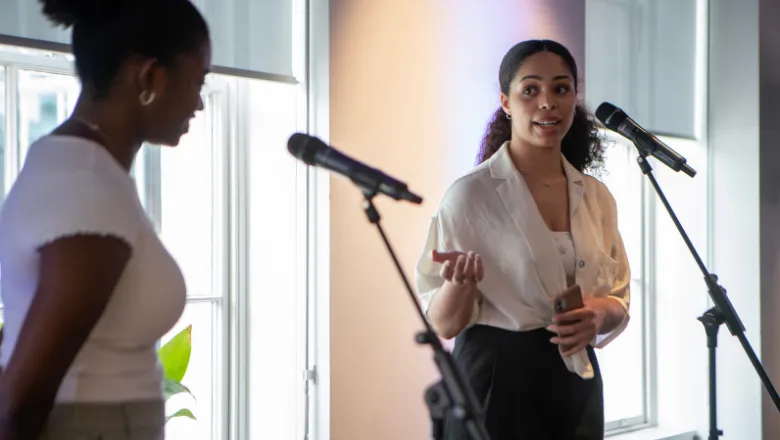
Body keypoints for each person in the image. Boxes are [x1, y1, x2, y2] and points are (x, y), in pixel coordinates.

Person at [0, 0, 211, 438]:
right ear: (149, 77)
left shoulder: (84, 171)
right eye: (197, 81)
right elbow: (21, 399)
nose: (199, 103)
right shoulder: (86, 186)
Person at [414, 39, 631, 440]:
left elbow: (619, 299)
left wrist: (598, 315)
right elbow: (445, 324)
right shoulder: (471, 196)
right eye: (530, 90)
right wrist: (458, 286)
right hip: (496, 378)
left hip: (575, 376)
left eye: (561, 89)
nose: (547, 102)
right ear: (506, 102)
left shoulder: (597, 196)